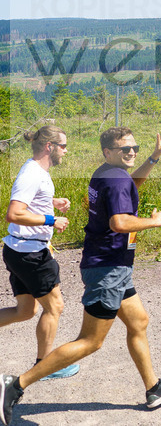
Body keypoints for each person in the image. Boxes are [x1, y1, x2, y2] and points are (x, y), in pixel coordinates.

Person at [1, 127, 161, 425]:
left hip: (115, 266)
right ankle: (16, 384)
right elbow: (119, 222)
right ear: (108, 151)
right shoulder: (113, 180)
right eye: (125, 149)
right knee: (90, 341)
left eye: (134, 148)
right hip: (108, 268)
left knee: (139, 322)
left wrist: (154, 157)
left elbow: (130, 185)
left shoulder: (109, 174)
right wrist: (154, 222)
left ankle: (153, 389)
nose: (131, 152)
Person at [1, 126, 79, 382]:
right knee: (54, 307)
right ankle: (45, 366)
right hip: (31, 253)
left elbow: (29, 203)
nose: (66, 151)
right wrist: (50, 219)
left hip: (20, 250)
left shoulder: (37, 172)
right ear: (50, 147)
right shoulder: (32, 174)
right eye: (63, 146)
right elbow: (13, 213)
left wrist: (51, 202)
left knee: (25, 311)